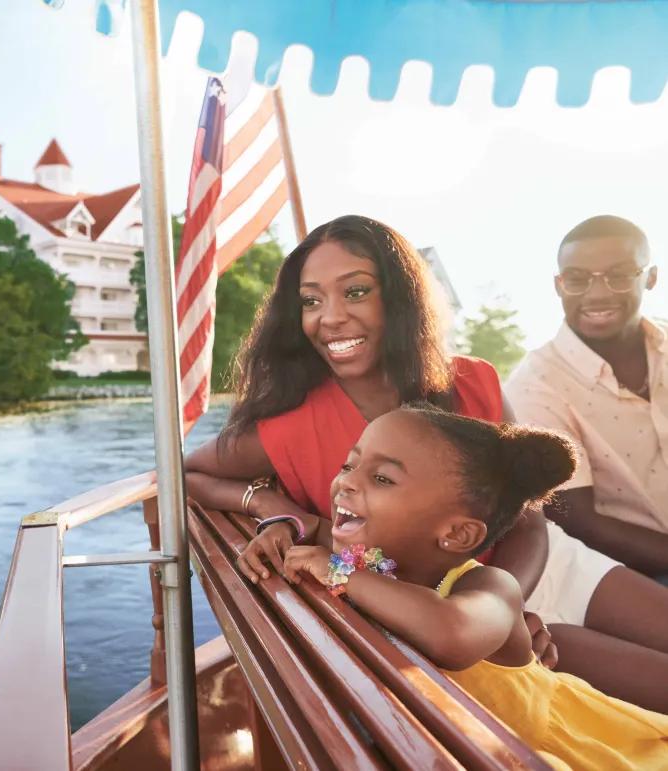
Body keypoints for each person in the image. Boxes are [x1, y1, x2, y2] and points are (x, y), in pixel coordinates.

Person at [184, 215, 668, 711]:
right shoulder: (286, 425)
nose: (329, 317)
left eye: (355, 292)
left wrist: (512, 606)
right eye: (311, 300)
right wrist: (265, 500)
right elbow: (188, 474)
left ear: (399, 297)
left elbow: (528, 520)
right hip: (434, 608)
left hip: (524, 576)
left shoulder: (474, 382)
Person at [280, 406, 668, 771]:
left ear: (457, 534)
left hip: (555, 752)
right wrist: (281, 529)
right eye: (349, 464)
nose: (346, 480)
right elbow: (312, 527)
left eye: (381, 478)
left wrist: (336, 571)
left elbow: (451, 634)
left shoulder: (490, 587)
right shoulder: (374, 566)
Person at [506, 215, 667, 581]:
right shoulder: (534, 386)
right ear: (559, 285)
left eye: (620, 274)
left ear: (651, 277)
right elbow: (580, 521)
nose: (597, 294)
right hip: (639, 575)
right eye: (577, 279)